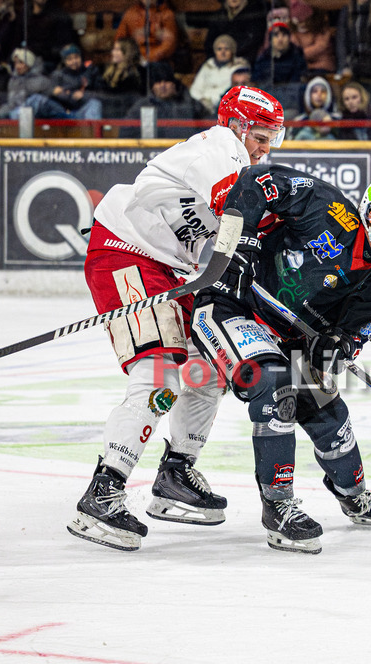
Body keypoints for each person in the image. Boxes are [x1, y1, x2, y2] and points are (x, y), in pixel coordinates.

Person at [68, 85, 287, 551]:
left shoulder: (240, 160)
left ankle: (176, 472)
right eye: (261, 137)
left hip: (170, 269)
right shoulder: (217, 150)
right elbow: (242, 218)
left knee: (207, 369)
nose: (266, 149)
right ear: (236, 126)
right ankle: (103, 491)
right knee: (160, 370)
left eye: (274, 139)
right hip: (125, 251)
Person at [189, 172, 371, 553]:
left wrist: (338, 345)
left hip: (288, 336)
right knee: (276, 385)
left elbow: (351, 336)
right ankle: (278, 506)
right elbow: (255, 181)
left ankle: (354, 496)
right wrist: (241, 242)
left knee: (326, 408)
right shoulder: (326, 205)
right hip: (230, 305)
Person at [121, 61, 201, 138]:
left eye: (166, 81)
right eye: (158, 82)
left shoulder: (190, 104)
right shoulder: (142, 106)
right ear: (152, 87)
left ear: (174, 84)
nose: (162, 85)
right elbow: (125, 133)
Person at [22, 44, 103, 120]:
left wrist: (84, 95)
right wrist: (55, 92)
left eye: (76, 57)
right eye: (69, 59)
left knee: (95, 104)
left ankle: (93, 134)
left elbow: (101, 94)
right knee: (35, 99)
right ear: (64, 61)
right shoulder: (58, 75)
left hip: (82, 112)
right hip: (62, 112)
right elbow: (48, 94)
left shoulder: (90, 72)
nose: (74, 61)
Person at [1, 0, 78, 74]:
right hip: (24, 61)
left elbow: (64, 47)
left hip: (47, 64)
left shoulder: (59, 17)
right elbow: (17, 41)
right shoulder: (25, 15)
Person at [190, 34, 249, 115]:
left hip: (221, 106)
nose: (223, 52)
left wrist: (213, 102)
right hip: (200, 106)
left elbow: (230, 89)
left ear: (232, 51)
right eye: (219, 49)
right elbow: (196, 88)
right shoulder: (208, 64)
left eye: (226, 49)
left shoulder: (239, 67)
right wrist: (201, 100)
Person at [115, 0, 180, 67]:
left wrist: (149, 57)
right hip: (133, 60)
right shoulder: (130, 14)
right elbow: (120, 40)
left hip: (158, 62)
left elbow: (169, 45)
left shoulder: (166, 14)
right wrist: (131, 56)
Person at [205, 0, 268, 67]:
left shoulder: (255, 15)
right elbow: (209, 45)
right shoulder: (218, 17)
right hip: (219, 63)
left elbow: (252, 42)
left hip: (245, 64)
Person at [335, 0, 371, 79]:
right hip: (350, 59)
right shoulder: (346, 10)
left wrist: (367, 63)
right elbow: (341, 40)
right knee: (342, 77)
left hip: (370, 60)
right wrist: (344, 66)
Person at [98, 38, 146, 119]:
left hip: (128, 115)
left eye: (117, 50)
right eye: (114, 49)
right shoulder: (107, 71)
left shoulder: (137, 72)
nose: (113, 52)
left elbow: (127, 96)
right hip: (108, 113)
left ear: (127, 52)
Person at [0, 48, 51, 119]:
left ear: (29, 63)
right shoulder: (13, 80)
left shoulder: (42, 81)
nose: (17, 66)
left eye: (20, 62)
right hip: (14, 115)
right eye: (15, 63)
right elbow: (11, 103)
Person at [291, 4, 335, 76]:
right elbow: (293, 50)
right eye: (298, 21)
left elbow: (320, 46)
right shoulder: (293, 32)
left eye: (304, 20)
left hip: (323, 67)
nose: (302, 24)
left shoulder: (321, 27)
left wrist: (301, 55)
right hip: (302, 67)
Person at [289, 75, 339, 139]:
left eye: (323, 91)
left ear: (328, 95)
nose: (319, 94)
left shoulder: (337, 120)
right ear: (308, 95)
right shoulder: (299, 121)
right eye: (315, 91)